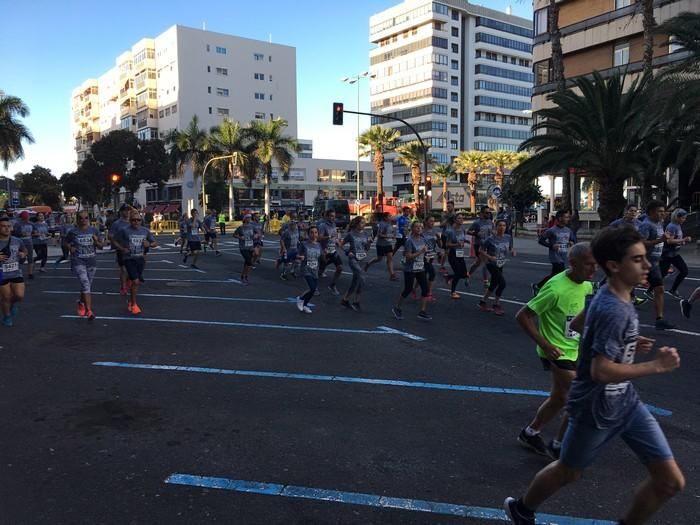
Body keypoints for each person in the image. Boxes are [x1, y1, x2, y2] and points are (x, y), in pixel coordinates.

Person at [505, 225, 684, 525]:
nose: (648, 265)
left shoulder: (605, 292)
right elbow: (600, 370)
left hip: (626, 403)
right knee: (568, 471)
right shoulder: (613, 307)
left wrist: (624, 340)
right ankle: (522, 509)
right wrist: (656, 366)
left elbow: (576, 324)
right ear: (614, 266)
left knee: (670, 481)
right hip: (594, 408)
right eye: (638, 259)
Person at [514, 243, 595, 461]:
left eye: (596, 265)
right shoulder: (555, 288)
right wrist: (546, 345)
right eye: (588, 265)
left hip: (574, 349)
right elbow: (522, 316)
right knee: (581, 396)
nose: (593, 270)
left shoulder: (587, 286)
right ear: (573, 264)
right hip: (556, 353)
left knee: (559, 398)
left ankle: (530, 433)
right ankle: (560, 444)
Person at [638, 200, 675, 330]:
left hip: (654, 262)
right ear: (652, 212)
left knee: (659, 289)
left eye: (663, 211)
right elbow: (641, 243)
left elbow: (661, 240)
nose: (662, 213)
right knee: (625, 287)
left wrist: (666, 239)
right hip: (643, 262)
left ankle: (659, 320)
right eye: (660, 211)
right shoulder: (646, 225)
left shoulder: (659, 223)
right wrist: (660, 240)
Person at [111, 211, 156, 315]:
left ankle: (131, 301)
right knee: (135, 281)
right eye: (133, 220)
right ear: (130, 221)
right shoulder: (124, 230)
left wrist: (149, 244)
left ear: (141, 221)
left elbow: (154, 243)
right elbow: (114, 240)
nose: (136, 222)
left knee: (136, 282)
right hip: (129, 259)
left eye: (138, 220)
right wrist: (122, 249)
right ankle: (134, 304)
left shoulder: (145, 231)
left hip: (140, 259)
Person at [65, 210, 103, 321]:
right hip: (78, 261)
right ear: (77, 219)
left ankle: (81, 302)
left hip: (91, 261)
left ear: (89, 219)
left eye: (86, 218)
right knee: (85, 283)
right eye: (81, 218)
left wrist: (96, 242)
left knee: (87, 285)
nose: (84, 220)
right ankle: (89, 311)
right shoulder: (73, 232)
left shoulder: (94, 230)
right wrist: (70, 248)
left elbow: (101, 246)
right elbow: (66, 242)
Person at [392, 220, 432, 321]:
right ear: (412, 229)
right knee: (408, 290)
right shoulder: (409, 241)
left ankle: (422, 311)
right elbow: (408, 256)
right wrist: (420, 252)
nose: (419, 229)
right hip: (410, 269)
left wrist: (427, 255)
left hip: (420, 267)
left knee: (425, 289)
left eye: (421, 227)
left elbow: (426, 251)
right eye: (417, 227)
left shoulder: (423, 239)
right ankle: (397, 308)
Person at [532, 210, 575, 295]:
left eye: (568, 217)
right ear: (560, 218)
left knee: (555, 275)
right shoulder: (551, 230)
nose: (568, 219)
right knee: (561, 273)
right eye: (566, 217)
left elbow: (573, 239)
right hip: (555, 256)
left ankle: (538, 286)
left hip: (564, 255)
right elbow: (541, 241)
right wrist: (551, 246)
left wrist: (571, 242)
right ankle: (560, 291)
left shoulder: (568, 230)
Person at [479, 219, 517, 316]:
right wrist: (489, 257)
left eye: (504, 225)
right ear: (496, 227)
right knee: (502, 283)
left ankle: (483, 301)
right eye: (500, 225)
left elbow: (510, 248)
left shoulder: (508, 237)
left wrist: (513, 251)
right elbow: (481, 250)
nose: (502, 227)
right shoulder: (490, 239)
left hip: (501, 263)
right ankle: (496, 304)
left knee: (494, 283)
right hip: (491, 263)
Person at [0, 216, 28, 326]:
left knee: (19, 295)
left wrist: (23, 254)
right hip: (1, 273)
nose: (6, 229)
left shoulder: (17, 240)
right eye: (3, 226)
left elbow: (24, 250)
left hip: (16, 271)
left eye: (8, 226)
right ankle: (7, 316)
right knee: (6, 296)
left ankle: (12, 304)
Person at [659, 208, 691, 300]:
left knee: (682, 271)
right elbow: (669, 241)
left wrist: (681, 242)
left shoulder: (677, 225)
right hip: (668, 254)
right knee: (663, 273)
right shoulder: (672, 226)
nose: (684, 220)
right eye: (683, 218)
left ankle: (672, 290)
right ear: (677, 217)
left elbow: (675, 239)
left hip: (674, 254)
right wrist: (683, 240)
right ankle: (650, 289)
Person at [341, 216, 372, 311]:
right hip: (353, 259)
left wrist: (369, 242)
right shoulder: (350, 234)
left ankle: (345, 299)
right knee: (362, 278)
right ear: (357, 224)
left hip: (361, 259)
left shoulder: (366, 234)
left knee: (355, 281)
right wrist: (347, 252)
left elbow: (366, 248)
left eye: (364, 223)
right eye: (362, 223)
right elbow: (341, 244)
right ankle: (356, 301)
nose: (364, 225)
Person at [363, 212, 397, 280]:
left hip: (388, 244)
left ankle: (392, 275)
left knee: (390, 258)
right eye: (389, 216)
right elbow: (379, 235)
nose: (391, 217)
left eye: (391, 216)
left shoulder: (390, 224)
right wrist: (388, 236)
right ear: (385, 218)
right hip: (381, 244)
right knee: (379, 259)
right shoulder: (382, 224)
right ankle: (368, 264)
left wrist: (393, 235)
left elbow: (391, 232)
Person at [444, 214, 470, 299]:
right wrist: (457, 244)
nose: (461, 219)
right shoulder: (451, 231)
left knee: (464, 274)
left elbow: (461, 239)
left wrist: (465, 241)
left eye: (462, 218)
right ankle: (452, 292)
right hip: (453, 254)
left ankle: (449, 277)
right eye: (459, 218)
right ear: (455, 220)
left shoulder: (462, 229)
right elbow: (447, 244)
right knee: (458, 274)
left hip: (460, 253)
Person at [296, 225, 321, 314]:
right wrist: (300, 257)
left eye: (316, 232)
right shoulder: (304, 244)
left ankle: (305, 304)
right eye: (311, 232)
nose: (314, 234)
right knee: (312, 288)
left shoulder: (319, 245)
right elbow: (297, 255)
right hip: (306, 269)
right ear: (308, 234)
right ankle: (301, 299)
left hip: (315, 269)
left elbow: (320, 257)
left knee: (313, 290)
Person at [317, 209, 343, 296]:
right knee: (320, 272)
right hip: (324, 251)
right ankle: (314, 287)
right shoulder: (322, 226)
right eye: (331, 216)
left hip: (333, 250)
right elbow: (319, 238)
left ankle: (332, 285)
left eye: (334, 216)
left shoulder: (334, 225)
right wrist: (328, 236)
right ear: (327, 216)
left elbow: (334, 237)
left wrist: (338, 242)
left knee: (340, 268)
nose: (333, 218)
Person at [467, 205, 494, 288]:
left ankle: (468, 275)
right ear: (481, 213)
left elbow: (492, 232)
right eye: (486, 212)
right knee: (486, 262)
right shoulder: (477, 223)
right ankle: (485, 282)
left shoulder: (490, 222)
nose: (488, 214)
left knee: (477, 263)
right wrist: (476, 233)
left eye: (489, 212)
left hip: (488, 245)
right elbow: (468, 231)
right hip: (479, 245)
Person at [108, 204, 132, 295]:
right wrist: (116, 243)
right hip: (121, 249)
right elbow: (110, 236)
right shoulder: (117, 224)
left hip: (133, 249)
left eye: (128, 210)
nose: (127, 212)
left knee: (133, 268)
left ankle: (129, 279)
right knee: (123, 269)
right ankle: (123, 287)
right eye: (125, 210)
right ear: (121, 212)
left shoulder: (132, 221)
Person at [233, 214, 256, 285]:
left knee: (247, 263)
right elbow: (234, 235)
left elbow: (258, 233)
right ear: (245, 219)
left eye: (250, 218)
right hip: (243, 247)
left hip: (250, 247)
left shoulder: (252, 227)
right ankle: (246, 277)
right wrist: (240, 237)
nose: (249, 219)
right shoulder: (241, 227)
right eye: (248, 218)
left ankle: (243, 276)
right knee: (249, 262)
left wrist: (257, 235)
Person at [13, 211, 35, 280]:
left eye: (27, 217)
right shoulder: (18, 224)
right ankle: (18, 271)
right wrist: (22, 234)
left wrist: (34, 233)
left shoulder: (31, 223)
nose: (27, 219)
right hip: (20, 242)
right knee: (21, 258)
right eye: (25, 218)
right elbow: (15, 233)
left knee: (30, 258)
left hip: (29, 242)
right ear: (22, 218)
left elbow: (34, 231)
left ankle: (30, 273)